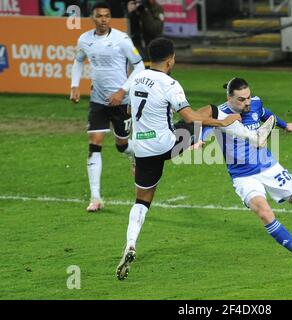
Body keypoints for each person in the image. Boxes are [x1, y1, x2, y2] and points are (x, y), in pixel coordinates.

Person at [115, 38, 276, 280]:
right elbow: (190, 118)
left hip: (143, 149)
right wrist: (222, 122)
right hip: (168, 144)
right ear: (171, 60)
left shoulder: (136, 77)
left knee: (142, 201)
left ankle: (130, 244)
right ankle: (255, 138)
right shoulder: (171, 84)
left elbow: (130, 111)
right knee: (210, 110)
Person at [200, 77, 292, 273]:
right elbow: (204, 126)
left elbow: (266, 115)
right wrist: (200, 140)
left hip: (270, 167)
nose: (247, 102)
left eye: (248, 97)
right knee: (264, 213)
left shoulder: (255, 103)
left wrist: (284, 124)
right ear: (229, 98)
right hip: (243, 177)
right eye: (241, 99)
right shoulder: (220, 114)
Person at [70, 1, 146, 212]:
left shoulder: (121, 39)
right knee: (95, 143)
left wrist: (122, 91)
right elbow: (78, 61)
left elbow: (139, 65)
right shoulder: (84, 39)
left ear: (110, 17)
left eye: (106, 16)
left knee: (122, 144)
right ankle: (95, 197)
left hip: (122, 102)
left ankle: (134, 154)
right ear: (92, 18)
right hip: (98, 101)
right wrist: (74, 86)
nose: (103, 19)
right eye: (99, 16)